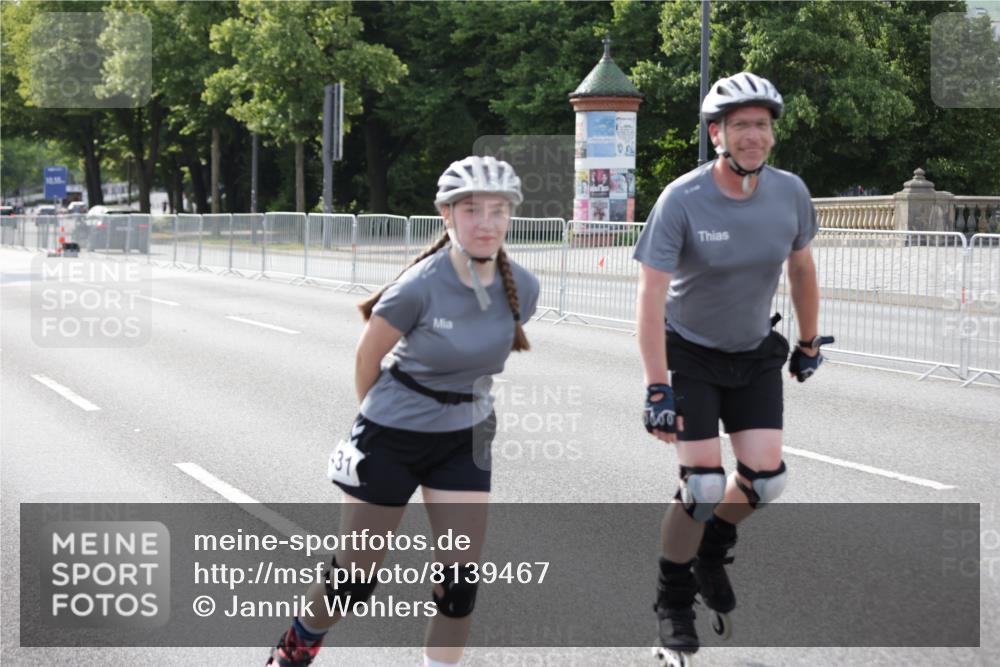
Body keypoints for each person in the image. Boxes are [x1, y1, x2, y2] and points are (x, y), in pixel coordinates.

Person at [266, 155, 540, 667]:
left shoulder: (524, 286)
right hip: (391, 437)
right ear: (447, 216)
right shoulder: (418, 287)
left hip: (464, 439)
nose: (486, 222)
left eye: (498, 211)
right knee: (353, 580)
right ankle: (296, 648)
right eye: (472, 210)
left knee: (460, 585)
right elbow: (367, 360)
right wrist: (380, 428)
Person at [632, 72, 832, 665]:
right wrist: (656, 387)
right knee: (701, 486)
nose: (752, 135)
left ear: (772, 135)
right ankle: (672, 602)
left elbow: (801, 271)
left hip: (753, 351)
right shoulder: (683, 199)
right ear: (717, 132)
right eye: (740, 124)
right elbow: (648, 301)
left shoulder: (790, 192)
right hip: (689, 351)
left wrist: (810, 341)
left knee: (766, 481)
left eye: (762, 125)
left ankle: (713, 547)